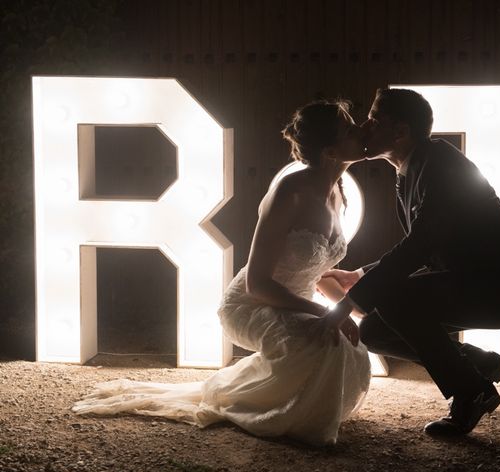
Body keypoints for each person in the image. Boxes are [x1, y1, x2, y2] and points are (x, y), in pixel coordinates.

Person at [73, 100, 371, 447]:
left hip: (294, 304)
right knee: (326, 344)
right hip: (251, 304)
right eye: (351, 129)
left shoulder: (337, 192)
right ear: (331, 149)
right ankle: (260, 408)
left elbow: (312, 269)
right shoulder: (290, 192)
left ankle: (285, 401)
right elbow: (257, 283)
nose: (361, 130)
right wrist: (325, 311)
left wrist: (348, 303)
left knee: (352, 345)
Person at [322, 88, 500, 436]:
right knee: (374, 330)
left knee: (395, 300)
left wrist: (349, 301)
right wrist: (360, 274)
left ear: (400, 132)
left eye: (374, 120)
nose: (365, 128)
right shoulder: (415, 166)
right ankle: (478, 366)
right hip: (470, 281)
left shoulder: (440, 166)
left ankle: (471, 391)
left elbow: (420, 246)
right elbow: (427, 244)